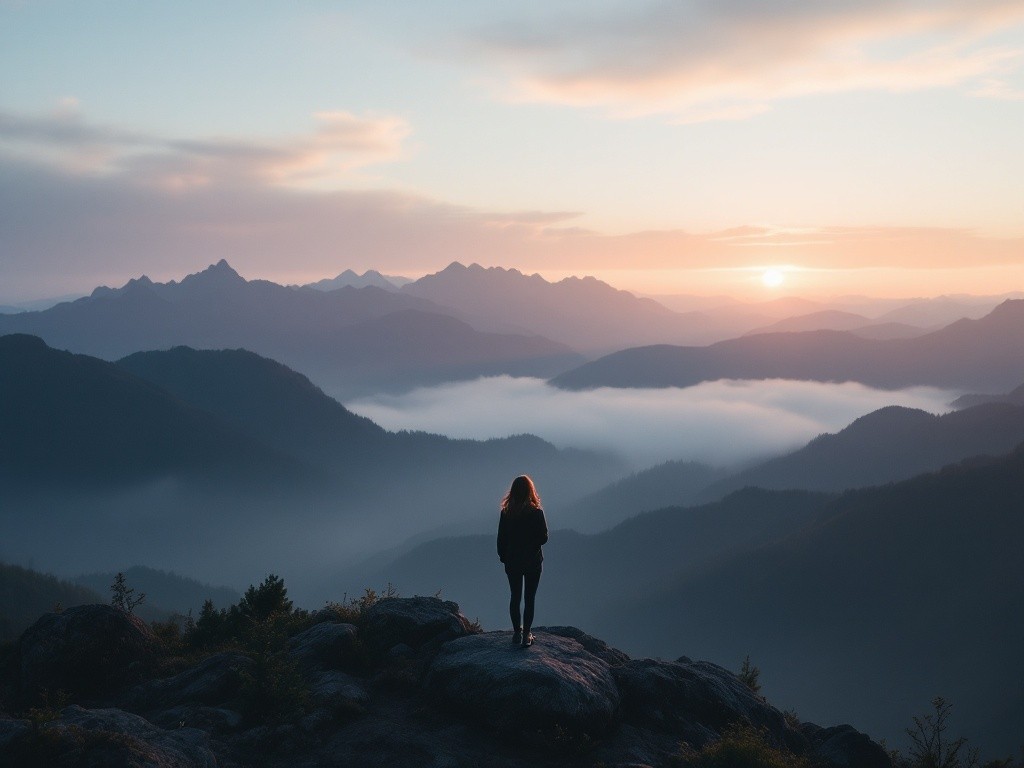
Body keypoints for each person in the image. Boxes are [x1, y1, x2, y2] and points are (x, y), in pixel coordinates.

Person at [496, 474, 548, 648]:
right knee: (529, 598)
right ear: (530, 491)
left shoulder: (506, 513)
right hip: (533, 561)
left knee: (515, 596)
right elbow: (544, 537)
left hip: (513, 561)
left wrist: (504, 557)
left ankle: (516, 634)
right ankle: (527, 635)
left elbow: (501, 538)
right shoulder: (536, 512)